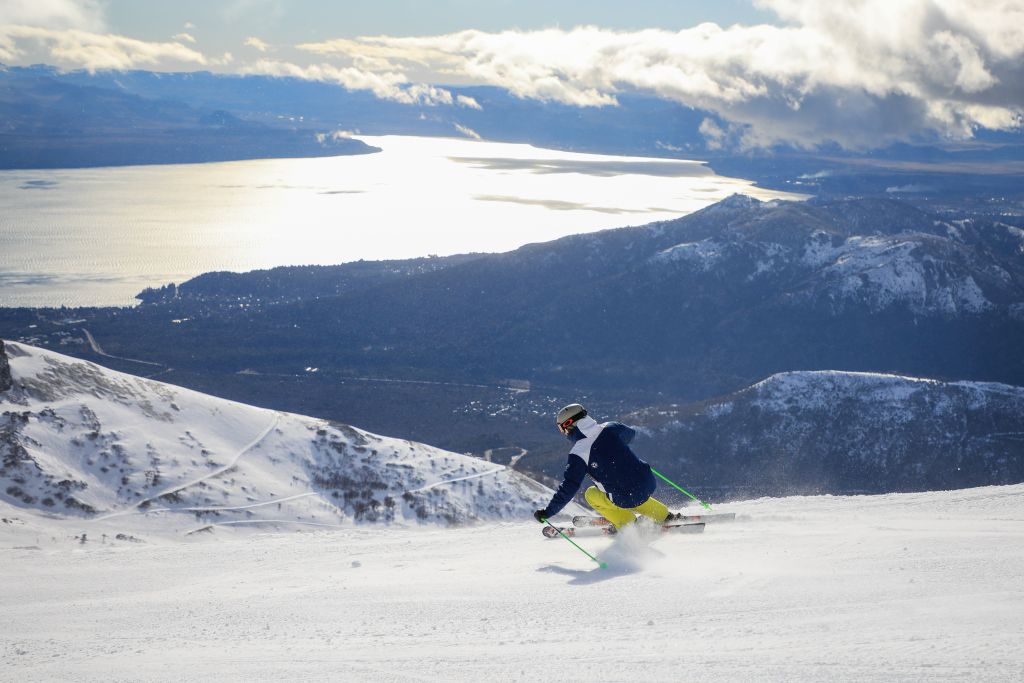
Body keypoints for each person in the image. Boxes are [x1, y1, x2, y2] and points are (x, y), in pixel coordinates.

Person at [533, 403, 675, 530]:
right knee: (630, 487)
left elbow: (569, 487)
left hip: (625, 497)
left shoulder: (579, 453)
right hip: (648, 481)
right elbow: (630, 434)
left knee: (592, 494)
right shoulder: (610, 427)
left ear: (569, 425)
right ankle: (663, 515)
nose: (563, 433)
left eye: (561, 429)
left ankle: (628, 524)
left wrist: (548, 512)